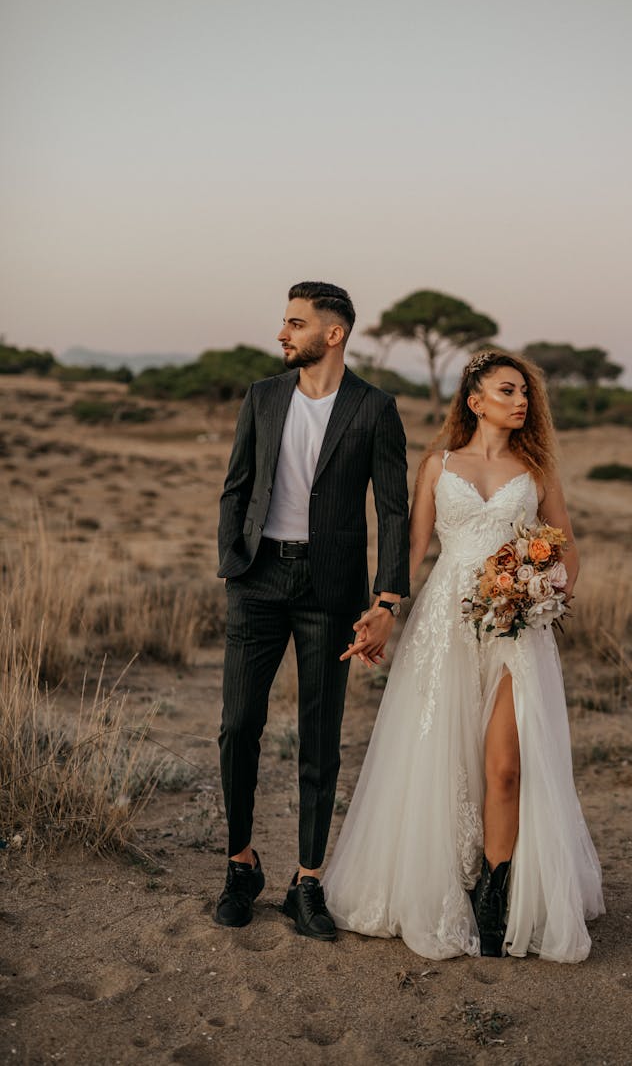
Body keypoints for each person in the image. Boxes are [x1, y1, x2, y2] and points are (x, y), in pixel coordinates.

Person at [325, 349, 605, 961]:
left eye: (525, 392)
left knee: (506, 765)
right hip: (446, 626)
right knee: (442, 757)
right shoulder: (438, 465)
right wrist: (384, 609)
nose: (522, 400)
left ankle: (497, 895)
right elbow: (415, 547)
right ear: (475, 401)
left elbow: (566, 550)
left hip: (515, 629)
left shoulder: (537, 471)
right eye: (508, 390)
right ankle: (450, 881)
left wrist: (546, 593)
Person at [215, 281, 410, 941]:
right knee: (238, 724)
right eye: (284, 320)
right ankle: (242, 864)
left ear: (333, 333)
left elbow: (392, 509)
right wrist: (233, 561)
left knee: (319, 739)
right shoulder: (263, 398)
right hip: (259, 577)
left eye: (294, 322)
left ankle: (307, 879)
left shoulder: (375, 408)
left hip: (330, 589)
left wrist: (386, 598)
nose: (282, 333)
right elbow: (236, 485)